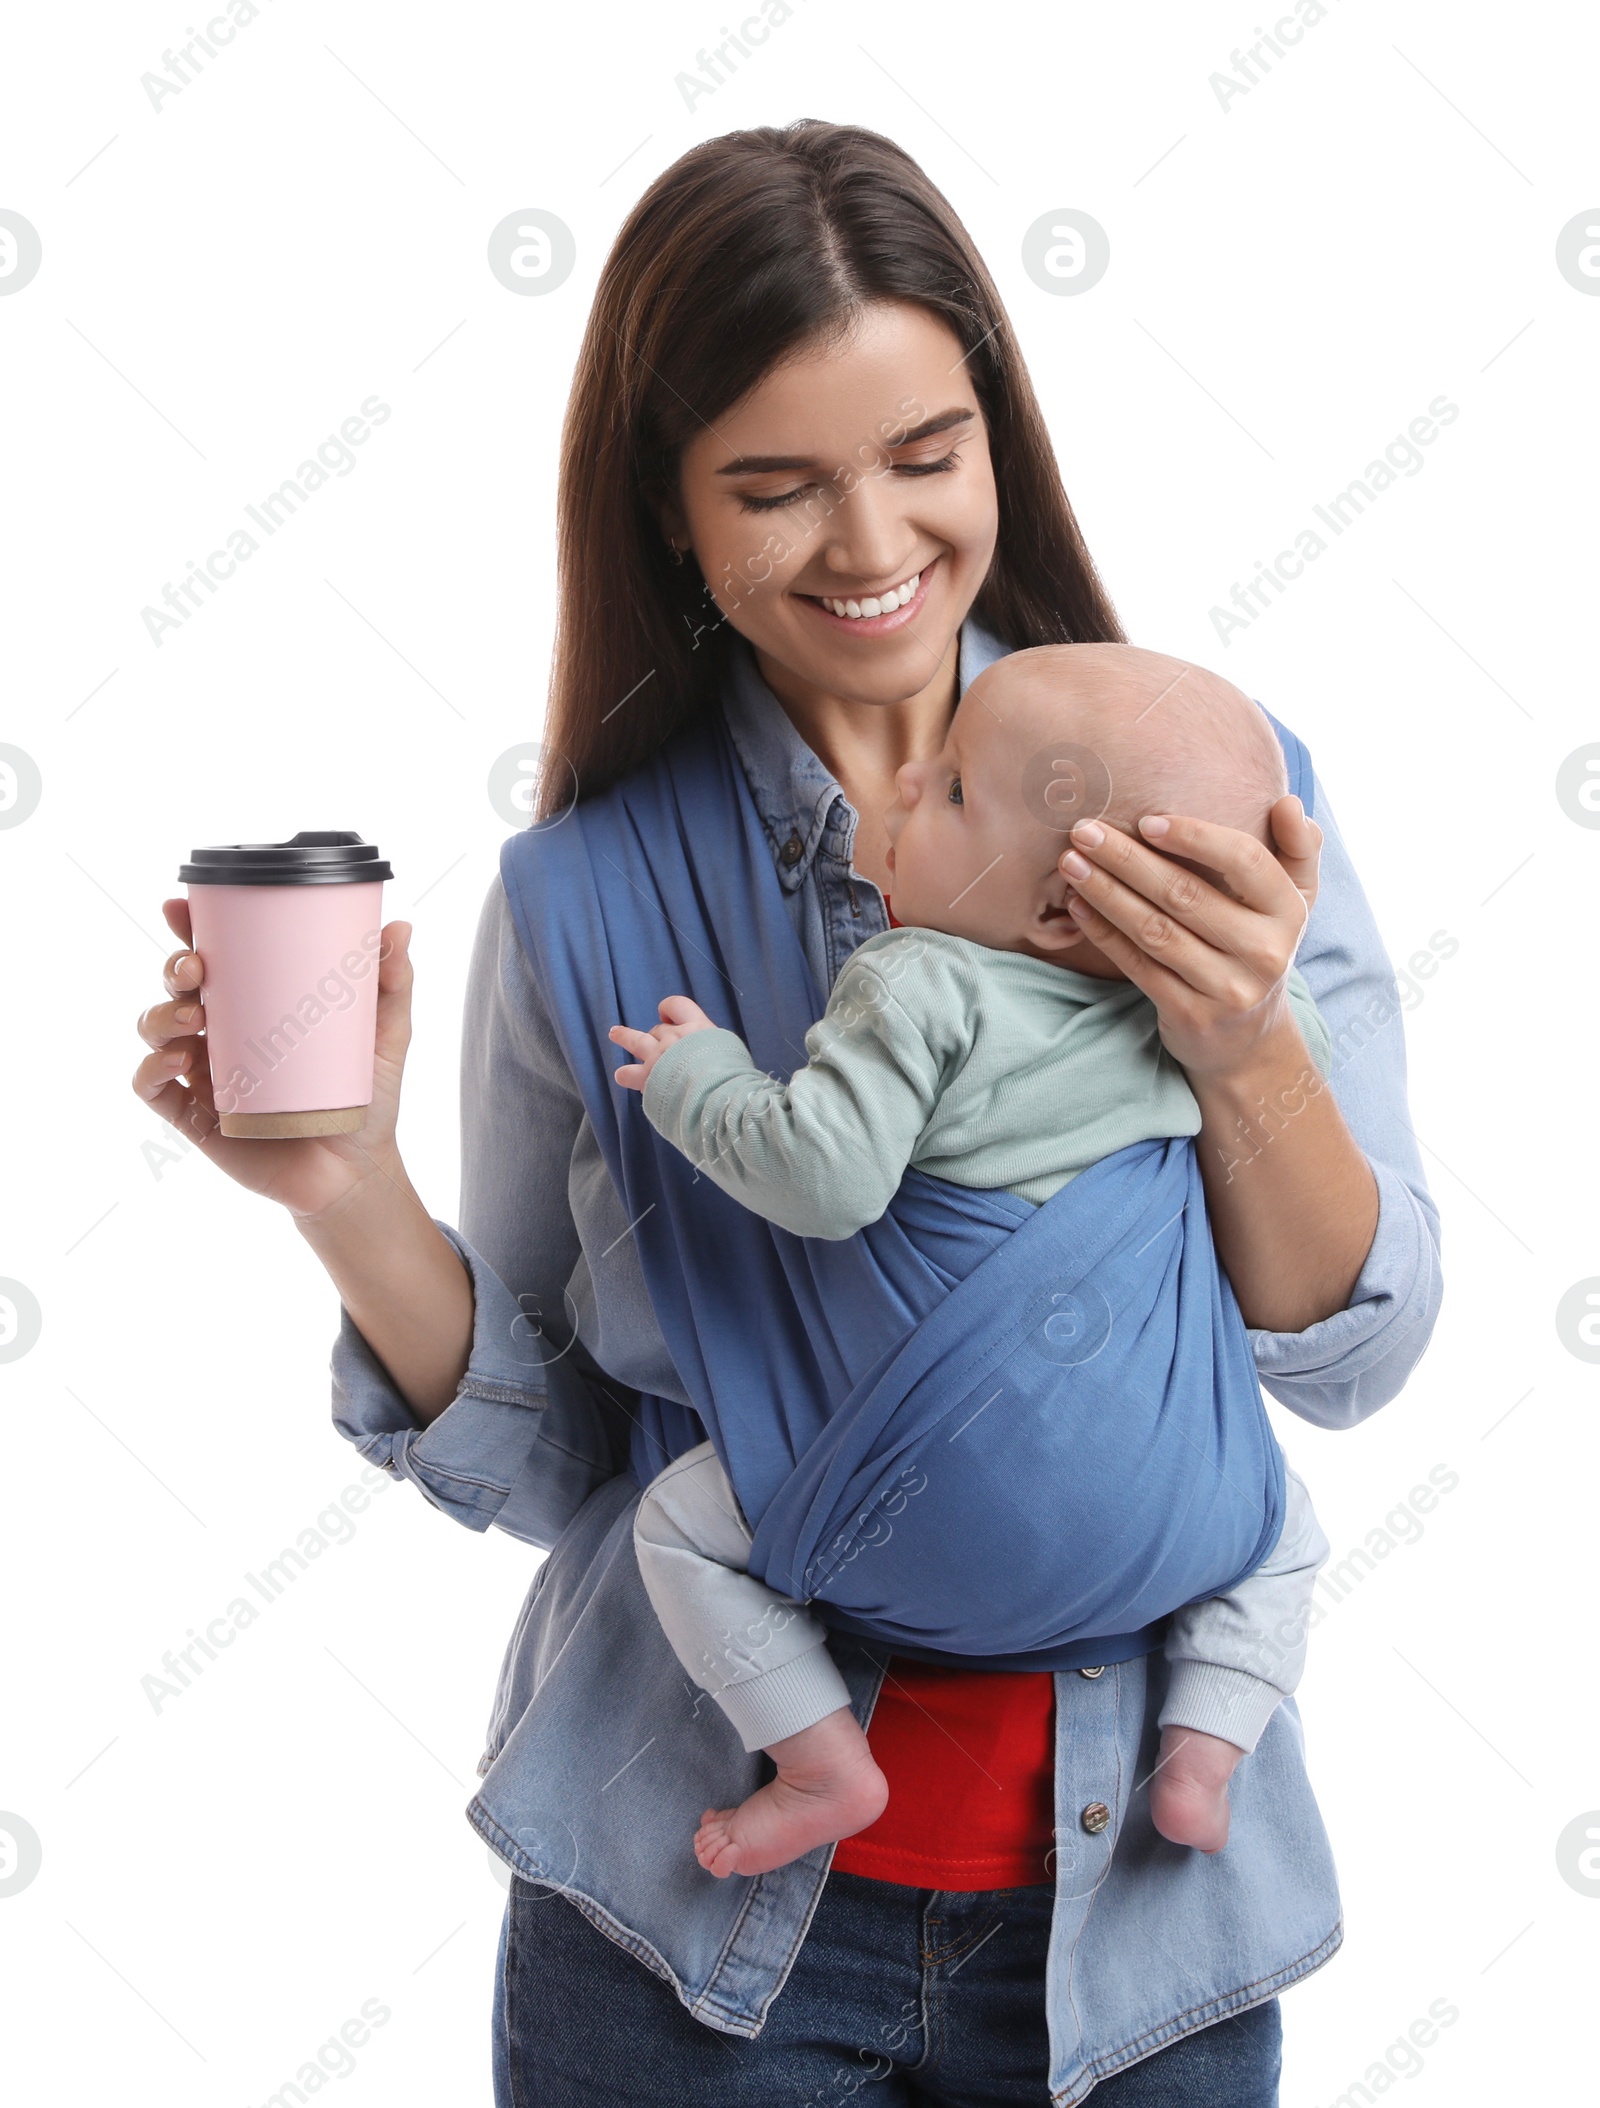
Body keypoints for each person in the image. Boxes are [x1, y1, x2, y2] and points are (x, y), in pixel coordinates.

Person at [134, 120, 1441, 2106]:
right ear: (665, 511)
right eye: (773, 484)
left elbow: (1354, 1352)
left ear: (994, 435)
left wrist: (1239, 1037)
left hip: (1137, 1908)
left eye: (926, 455)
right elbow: (564, 1459)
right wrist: (337, 1189)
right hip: (689, 1918)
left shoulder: (1209, 806)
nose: (870, 543)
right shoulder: (585, 901)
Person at [614, 643, 1334, 1877]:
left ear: (1056, 905)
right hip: (1173, 1523)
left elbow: (824, 1178)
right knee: (1286, 1531)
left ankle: (820, 1757)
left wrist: (701, 1082)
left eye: (946, 788)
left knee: (679, 1528)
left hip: (903, 1523)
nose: (899, 788)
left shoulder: (922, 978)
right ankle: (1207, 1750)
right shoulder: (1232, 1025)